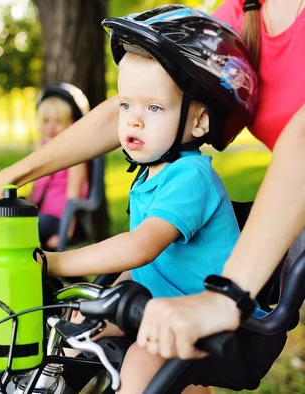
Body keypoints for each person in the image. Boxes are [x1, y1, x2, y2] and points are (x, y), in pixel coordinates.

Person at [41, 7, 275, 393]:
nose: (133, 120)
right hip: (165, 304)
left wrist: (54, 262)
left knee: (140, 364)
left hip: (220, 322)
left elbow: (140, 248)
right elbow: (148, 270)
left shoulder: (191, 177)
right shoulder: (150, 176)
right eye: (125, 105)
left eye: (153, 107)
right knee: (75, 330)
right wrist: (100, 298)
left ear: (199, 121)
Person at [136, 0, 305, 361]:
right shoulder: (245, 11)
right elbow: (157, 86)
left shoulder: (192, 177)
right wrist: (9, 179)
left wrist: (230, 294)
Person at [31, 83, 89, 250]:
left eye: (59, 122)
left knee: (26, 228)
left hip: (58, 221)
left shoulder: (74, 156)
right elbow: (35, 193)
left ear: (72, 123)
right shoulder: (41, 152)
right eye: (46, 121)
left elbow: (74, 198)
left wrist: (65, 232)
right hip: (40, 216)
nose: (50, 126)